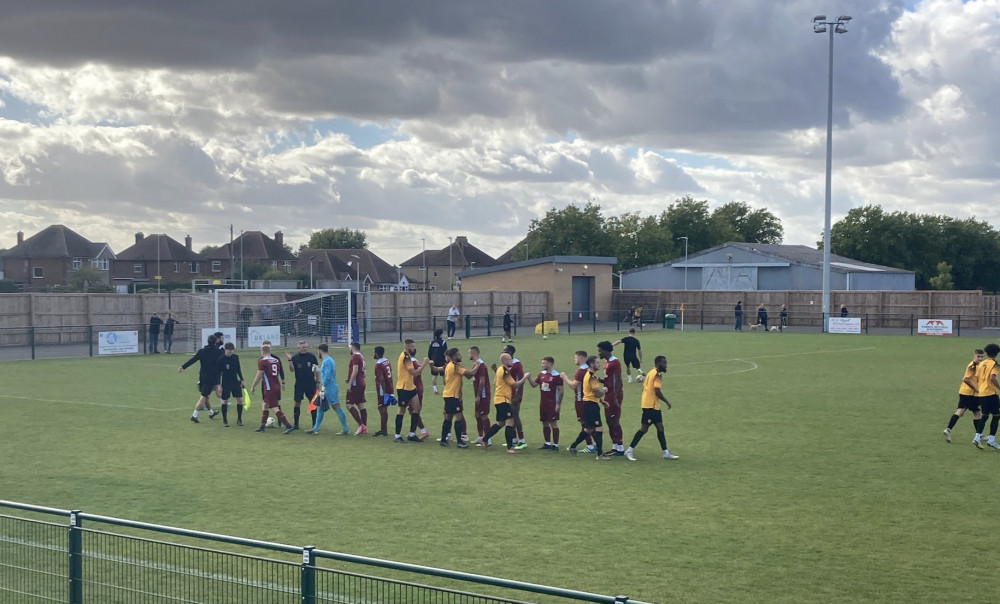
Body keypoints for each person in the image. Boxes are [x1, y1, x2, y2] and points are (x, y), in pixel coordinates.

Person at [624, 356, 679, 461]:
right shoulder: (657, 374)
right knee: (644, 429)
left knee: (660, 428)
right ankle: (629, 450)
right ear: (658, 363)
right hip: (650, 406)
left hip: (651, 405)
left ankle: (665, 453)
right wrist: (667, 401)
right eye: (664, 363)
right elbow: (657, 391)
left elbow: (644, 388)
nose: (666, 365)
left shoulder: (651, 372)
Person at [478, 353, 530, 453]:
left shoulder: (500, 370)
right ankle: (509, 447)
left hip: (498, 399)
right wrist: (525, 378)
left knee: (500, 423)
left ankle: (484, 440)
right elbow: (514, 385)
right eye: (510, 360)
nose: (512, 361)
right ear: (505, 361)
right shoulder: (505, 371)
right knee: (510, 421)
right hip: (503, 400)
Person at [561, 356, 608, 459]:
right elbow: (597, 393)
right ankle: (600, 454)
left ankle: (572, 447)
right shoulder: (592, 377)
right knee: (598, 428)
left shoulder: (588, 374)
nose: (599, 364)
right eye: (597, 363)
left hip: (588, 404)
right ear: (591, 364)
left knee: (589, 429)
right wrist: (605, 390)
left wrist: (602, 401)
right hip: (591, 405)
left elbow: (592, 393)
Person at [249, 344, 294, 434]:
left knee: (274, 408)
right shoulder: (276, 360)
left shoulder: (262, 361)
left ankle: (288, 425)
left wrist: (253, 386)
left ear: (262, 351)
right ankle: (262, 426)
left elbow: (259, 375)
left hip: (269, 388)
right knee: (265, 405)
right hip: (276, 385)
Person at [394, 339, 431, 443]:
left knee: (417, 408)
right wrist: (424, 364)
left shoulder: (408, 356)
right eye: (412, 347)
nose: (414, 349)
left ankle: (412, 434)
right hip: (403, 387)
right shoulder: (405, 357)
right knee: (401, 410)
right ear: (407, 347)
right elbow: (414, 372)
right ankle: (397, 436)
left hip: (411, 387)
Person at [436, 347, 474, 448]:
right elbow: (470, 374)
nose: (460, 356)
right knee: (459, 417)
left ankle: (444, 439)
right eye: (458, 355)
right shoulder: (454, 367)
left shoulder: (450, 365)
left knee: (448, 417)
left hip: (449, 395)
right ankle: (459, 442)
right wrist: (478, 366)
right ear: (453, 357)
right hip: (452, 395)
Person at [178, 334, 222, 423]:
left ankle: (211, 412)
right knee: (204, 396)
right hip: (212, 378)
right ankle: (194, 415)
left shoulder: (202, 351)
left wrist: (183, 367)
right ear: (215, 342)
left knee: (207, 396)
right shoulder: (218, 352)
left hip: (203, 377)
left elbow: (193, 360)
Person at [944, 349, 984, 444]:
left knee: (960, 411)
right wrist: (975, 389)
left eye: (982, 357)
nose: (980, 358)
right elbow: (965, 379)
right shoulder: (973, 366)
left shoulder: (977, 365)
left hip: (963, 392)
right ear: (974, 356)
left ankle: (948, 429)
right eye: (978, 356)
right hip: (971, 394)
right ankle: (979, 435)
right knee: (977, 413)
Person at [525, 356, 563, 450]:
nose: (541, 365)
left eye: (543, 363)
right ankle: (547, 443)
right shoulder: (541, 374)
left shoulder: (556, 376)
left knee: (553, 423)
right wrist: (528, 378)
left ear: (549, 364)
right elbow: (534, 385)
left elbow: (561, 391)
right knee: (544, 422)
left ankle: (555, 445)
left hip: (552, 403)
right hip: (543, 403)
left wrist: (558, 404)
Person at [309, 343, 348, 435]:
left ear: (320, 350)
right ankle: (315, 428)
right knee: (320, 407)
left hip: (329, 388)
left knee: (336, 406)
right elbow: (324, 372)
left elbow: (328, 375)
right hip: (328, 387)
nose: (317, 353)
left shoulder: (327, 361)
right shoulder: (327, 360)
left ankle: (345, 428)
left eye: (317, 351)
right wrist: (317, 369)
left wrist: (324, 388)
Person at [598, 341, 624, 456]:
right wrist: (601, 380)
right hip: (608, 394)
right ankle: (615, 446)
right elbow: (609, 379)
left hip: (614, 394)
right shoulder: (607, 363)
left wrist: (615, 397)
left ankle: (620, 447)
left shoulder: (615, 362)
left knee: (614, 420)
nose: (599, 353)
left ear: (606, 350)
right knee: (609, 420)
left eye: (600, 350)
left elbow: (618, 380)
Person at [285, 340, 319, 430]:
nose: (305, 349)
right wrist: (289, 360)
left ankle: (314, 424)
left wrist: (318, 382)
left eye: (306, 347)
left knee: (312, 403)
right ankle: (296, 424)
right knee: (297, 402)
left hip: (311, 383)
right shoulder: (295, 358)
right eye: (303, 347)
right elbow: (292, 370)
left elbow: (316, 370)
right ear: (299, 348)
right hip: (299, 383)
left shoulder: (312, 357)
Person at [973, 343, 1000, 449]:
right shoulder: (994, 364)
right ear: (997, 353)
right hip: (990, 393)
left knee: (984, 415)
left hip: (981, 393)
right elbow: (992, 378)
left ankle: (976, 437)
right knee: (996, 415)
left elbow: (978, 378)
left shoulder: (982, 363)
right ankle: (991, 440)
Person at [569, 350, 595, 453]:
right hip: (591, 399)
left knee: (584, 424)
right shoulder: (589, 370)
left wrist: (564, 377)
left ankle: (589, 446)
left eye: (575, 358)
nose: (574, 360)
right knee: (591, 423)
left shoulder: (580, 371)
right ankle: (596, 443)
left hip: (580, 401)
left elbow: (573, 385)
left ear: (580, 358)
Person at [216, 342, 245, 427]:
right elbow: (218, 373)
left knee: (239, 400)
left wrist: (242, 379)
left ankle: (239, 419)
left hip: (235, 381)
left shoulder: (235, 358)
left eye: (232, 351)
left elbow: (238, 369)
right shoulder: (220, 359)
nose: (231, 352)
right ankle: (225, 420)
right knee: (225, 401)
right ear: (225, 350)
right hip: (226, 382)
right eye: (229, 351)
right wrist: (219, 385)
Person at [503, 344, 527, 449]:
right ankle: (513, 439)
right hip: (506, 395)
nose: (502, 352)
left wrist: (517, 395)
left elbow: (520, 380)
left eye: (504, 351)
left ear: (510, 353)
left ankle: (522, 440)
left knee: (515, 416)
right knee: (510, 417)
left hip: (514, 395)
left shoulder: (516, 364)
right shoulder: (505, 364)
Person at [469, 346, 492, 445]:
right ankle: (480, 437)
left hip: (483, 394)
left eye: (469, 353)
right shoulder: (476, 364)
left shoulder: (481, 365)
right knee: (477, 415)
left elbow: (482, 381)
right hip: (478, 394)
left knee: (483, 416)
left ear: (474, 353)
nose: (468, 355)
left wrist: (478, 395)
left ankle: (488, 438)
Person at [345, 341, 368, 434]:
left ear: (353, 347)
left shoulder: (355, 356)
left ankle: (361, 425)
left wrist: (350, 382)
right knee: (360, 404)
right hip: (361, 382)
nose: (349, 349)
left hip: (355, 384)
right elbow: (364, 370)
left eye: (350, 347)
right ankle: (364, 427)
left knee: (349, 404)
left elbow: (355, 370)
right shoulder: (361, 356)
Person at [371, 346, 394, 437]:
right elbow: (390, 372)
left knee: (382, 408)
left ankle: (383, 430)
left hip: (382, 389)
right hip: (390, 385)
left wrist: (384, 393)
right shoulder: (386, 361)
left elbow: (381, 378)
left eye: (374, 352)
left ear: (377, 353)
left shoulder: (378, 364)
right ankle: (383, 429)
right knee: (383, 408)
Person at [428, 328, 447, 395]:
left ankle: (435, 390)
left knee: (434, 375)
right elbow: (445, 352)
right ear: (441, 334)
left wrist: (431, 359)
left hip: (434, 361)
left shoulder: (432, 342)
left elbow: (429, 352)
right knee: (444, 376)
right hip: (442, 361)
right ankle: (446, 389)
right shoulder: (443, 342)